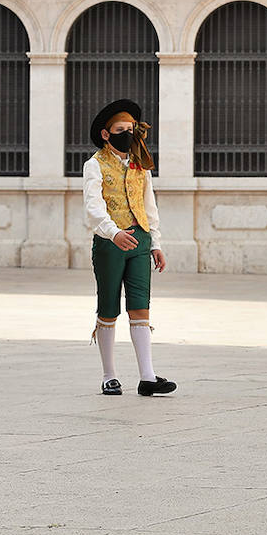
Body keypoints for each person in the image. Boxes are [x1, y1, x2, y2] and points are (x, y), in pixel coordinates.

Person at [84, 99, 176, 397]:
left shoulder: (141, 165)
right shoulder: (94, 164)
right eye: (120, 129)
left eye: (130, 129)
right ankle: (109, 375)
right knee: (108, 308)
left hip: (141, 241)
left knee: (140, 306)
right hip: (111, 244)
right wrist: (113, 233)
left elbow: (150, 205)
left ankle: (147, 377)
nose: (127, 133)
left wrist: (156, 243)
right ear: (106, 134)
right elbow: (93, 207)